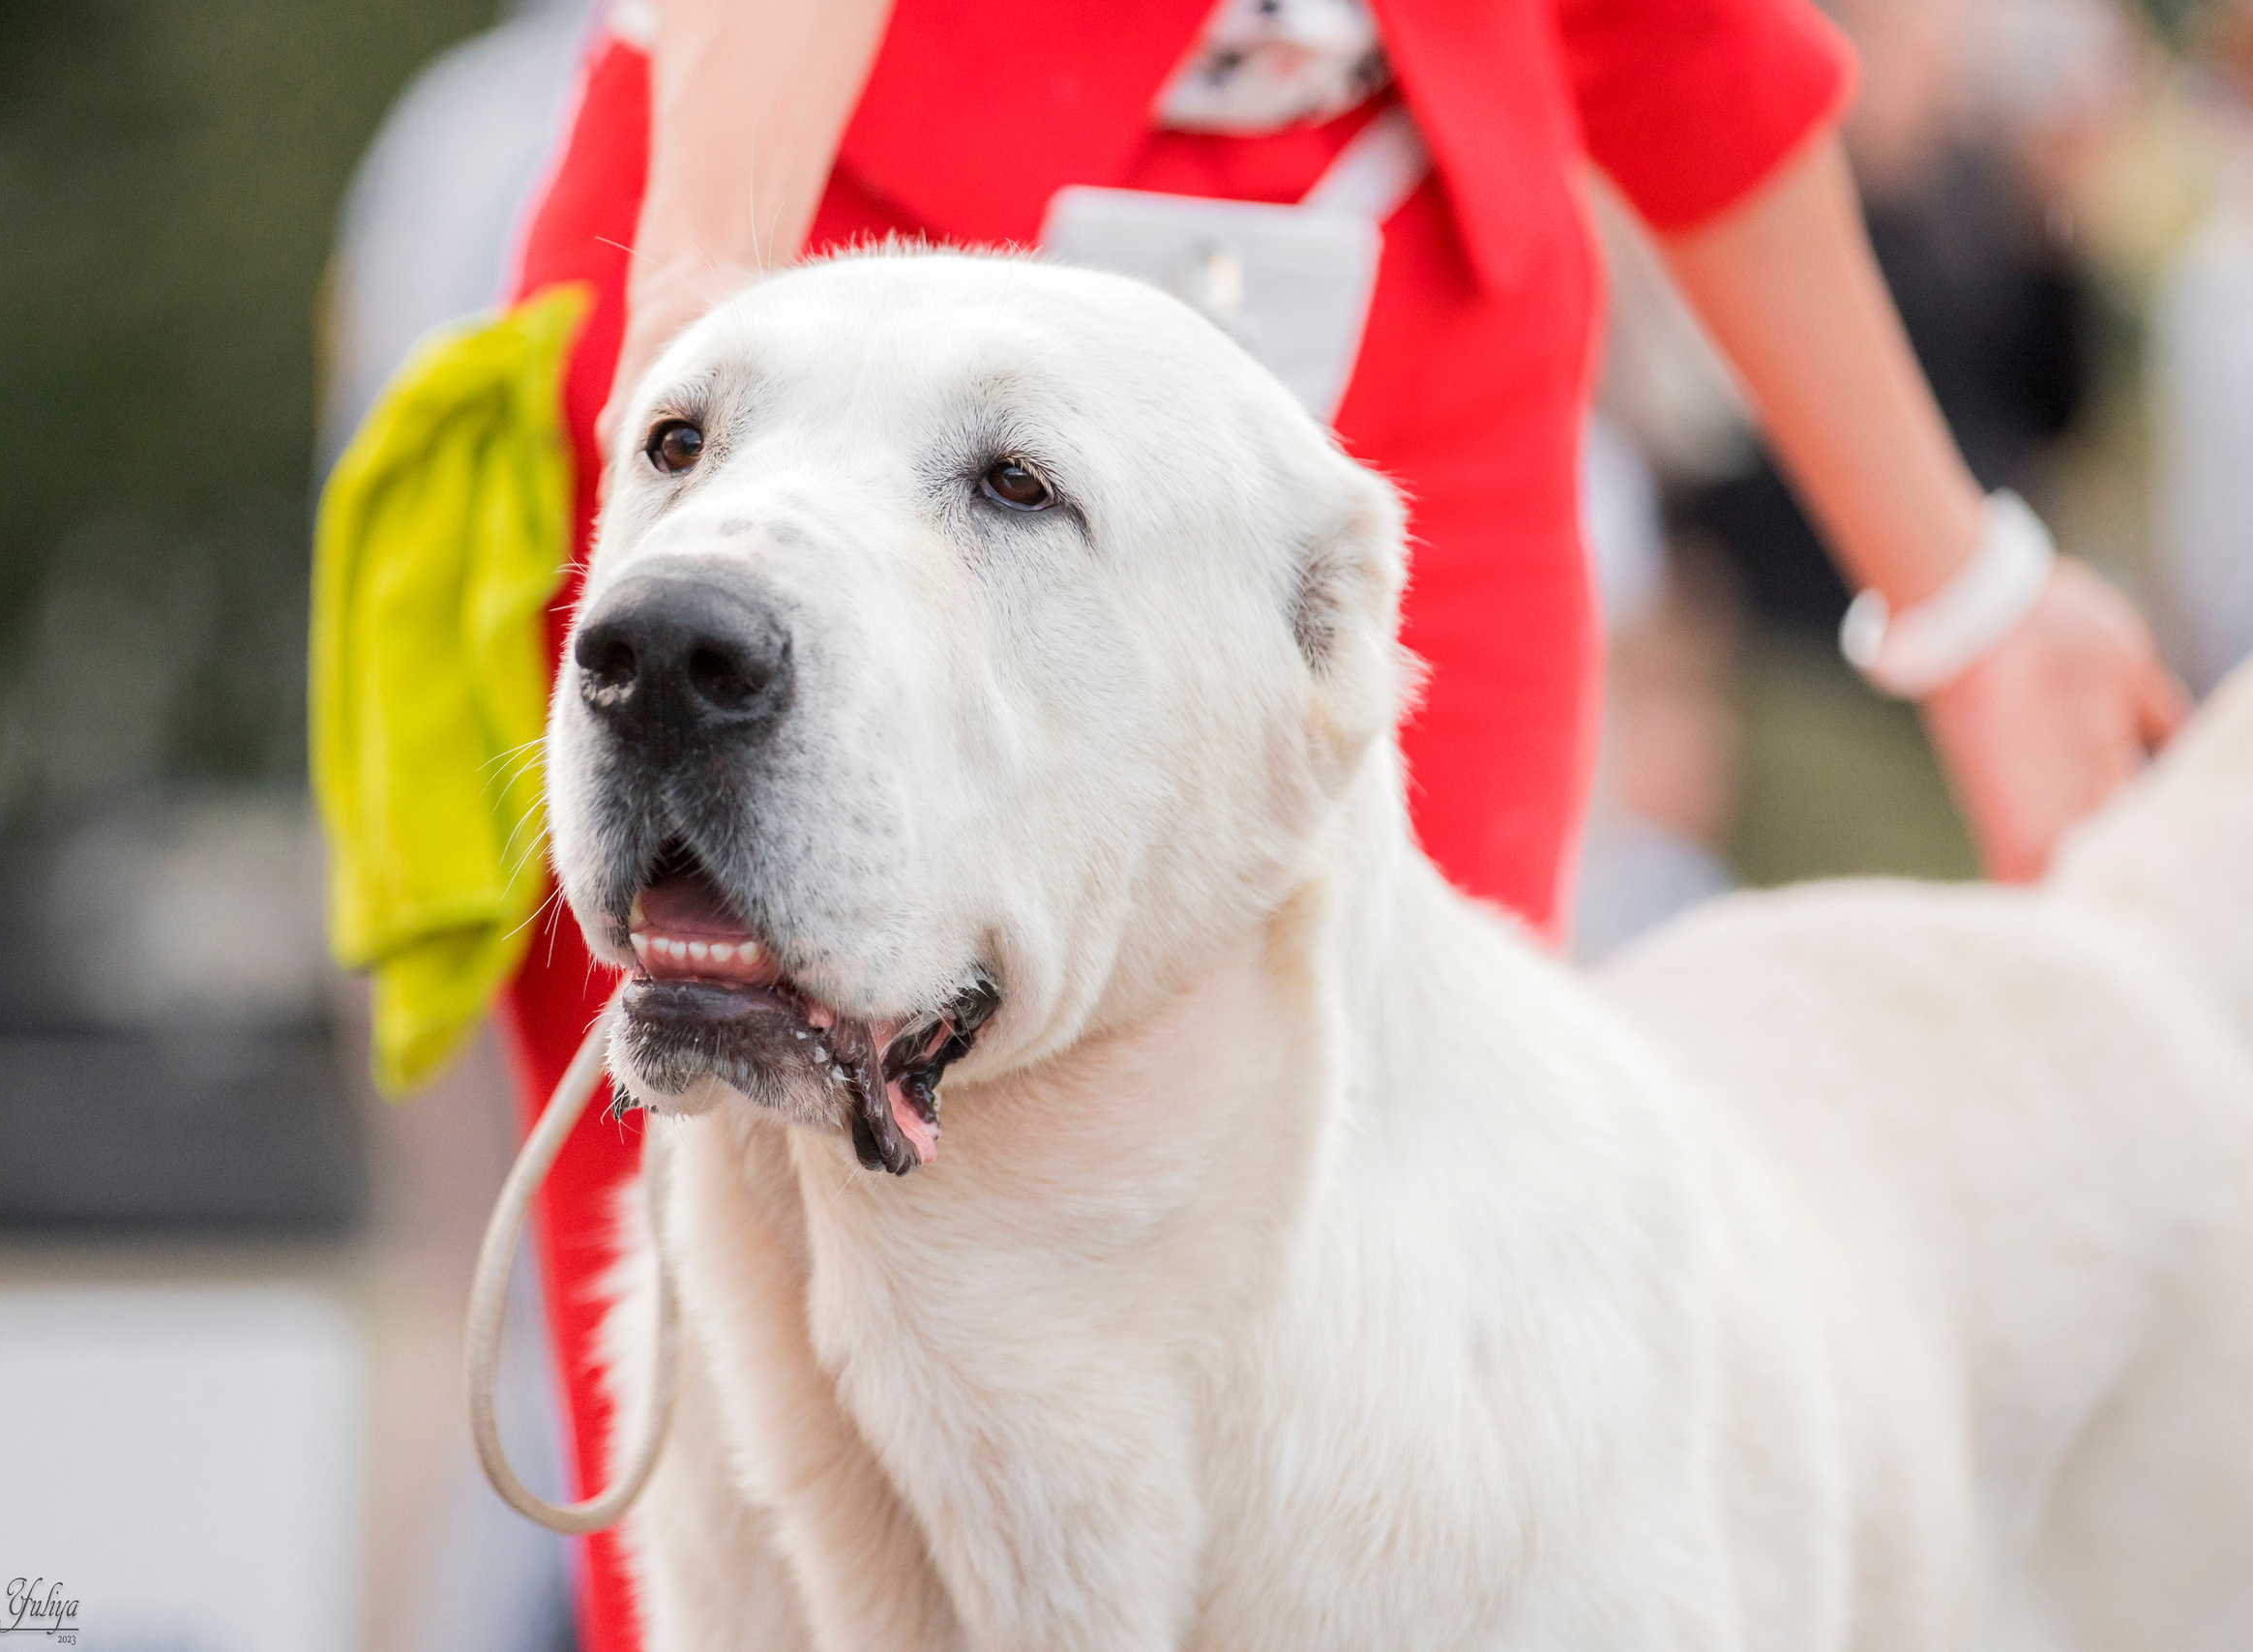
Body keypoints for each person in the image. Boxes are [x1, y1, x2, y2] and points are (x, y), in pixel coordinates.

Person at [318, 2, 2186, 1643]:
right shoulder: (735, 409)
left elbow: (1678, 33)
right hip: (810, 225)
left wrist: (1961, 594)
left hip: (1404, 305)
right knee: (754, 1340)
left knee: (1427, 1289)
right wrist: (708, 377)